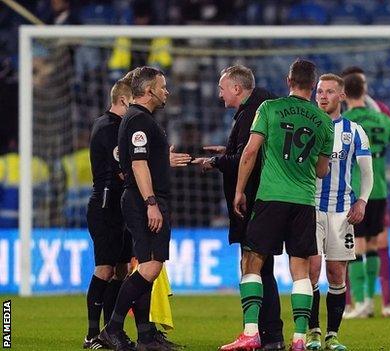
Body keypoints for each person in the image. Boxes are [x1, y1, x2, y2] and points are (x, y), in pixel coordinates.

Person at [220, 59, 333, 351]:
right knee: (300, 269)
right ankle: (298, 338)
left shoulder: (269, 109)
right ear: (313, 85)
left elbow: (250, 151)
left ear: (288, 80)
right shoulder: (323, 121)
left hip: (270, 197)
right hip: (304, 201)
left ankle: (251, 332)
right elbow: (322, 170)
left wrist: (239, 191)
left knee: (252, 262)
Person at [194, 65, 285, 351]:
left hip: (255, 198)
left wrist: (216, 163)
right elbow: (249, 150)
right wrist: (227, 151)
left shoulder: (252, 112)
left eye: (222, 89)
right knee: (263, 268)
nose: (220, 95)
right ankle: (272, 337)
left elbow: (249, 157)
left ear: (236, 88)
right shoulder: (262, 105)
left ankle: (259, 335)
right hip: (269, 198)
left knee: (254, 265)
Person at [98, 66, 185, 351]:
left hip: (143, 198)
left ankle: (146, 335)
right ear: (149, 91)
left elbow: (145, 159)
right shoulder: (138, 120)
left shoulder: (140, 118)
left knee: (150, 266)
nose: (166, 92)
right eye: (163, 87)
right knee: (149, 266)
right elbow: (137, 164)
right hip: (142, 200)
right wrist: (151, 204)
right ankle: (112, 329)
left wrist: (163, 160)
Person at [305, 73, 373, 351]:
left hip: (342, 212)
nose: (322, 96)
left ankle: (332, 334)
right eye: (319, 91)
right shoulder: (307, 126)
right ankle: (313, 331)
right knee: (311, 271)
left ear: (342, 96)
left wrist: (363, 201)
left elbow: (367, 173)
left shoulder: (354, 131)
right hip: (310, 208)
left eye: (329, 92)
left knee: (336, 273)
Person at [340, 73, 390, 319]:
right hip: (380, 190)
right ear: (364, 90)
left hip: (354, 190)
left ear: (344, 94)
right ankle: (370, 301)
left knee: (356, 246)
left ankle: (360, 303)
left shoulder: (344, 122)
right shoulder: (383, 120)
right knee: (373, 244)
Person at [83, 76, 135, 349]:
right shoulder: (108, 127)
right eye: (134, 102)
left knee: (121, 270)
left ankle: (110, 331)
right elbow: (124, 168)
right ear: (124, 100)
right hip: (105, 207)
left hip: (119, 206)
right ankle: (91, 335)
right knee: (104, 269)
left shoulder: (114, 126)